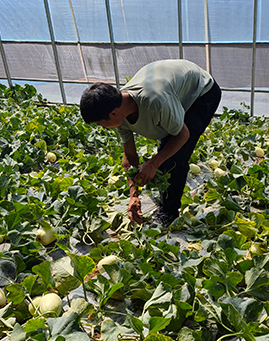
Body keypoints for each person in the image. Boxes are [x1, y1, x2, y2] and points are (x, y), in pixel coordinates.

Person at [80, 59, 221, 227]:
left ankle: (169, 212)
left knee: (174, 158)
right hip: (173, 92)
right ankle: (166, 199)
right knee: (166, 149)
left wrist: (153, 163)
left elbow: (183, 135)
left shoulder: (155, 102)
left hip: (202, 91)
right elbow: (130, 155)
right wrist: (134, 195)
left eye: (99, 123)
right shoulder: (120, 112)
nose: (102, 127)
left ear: (113, 113)